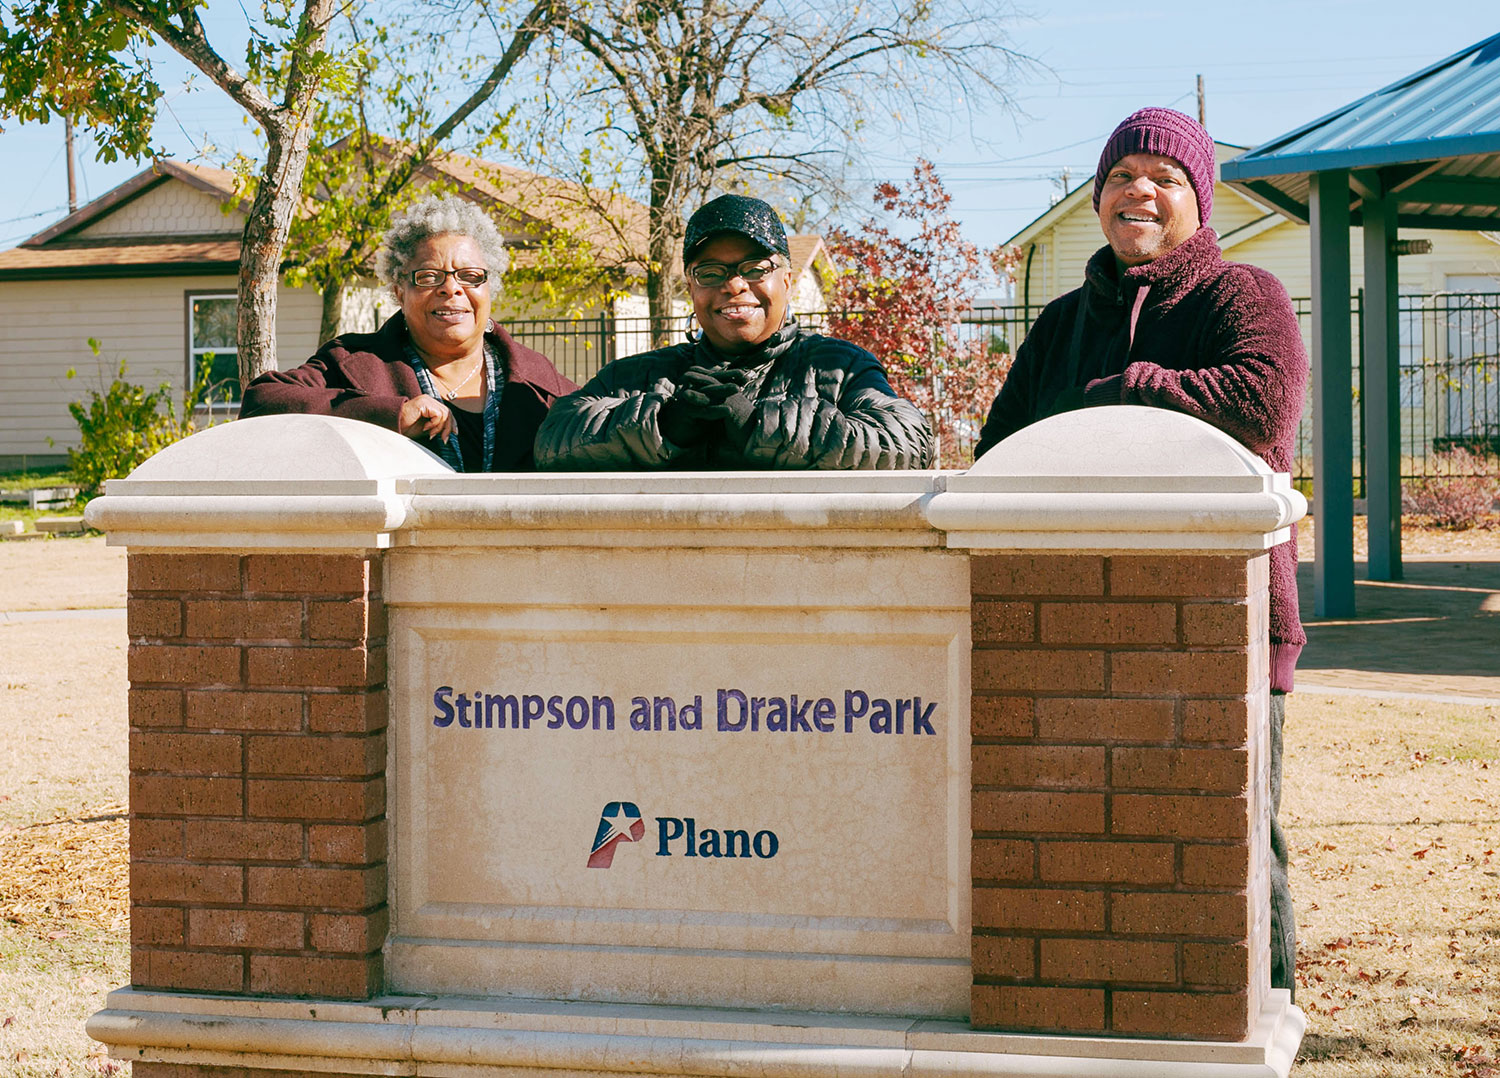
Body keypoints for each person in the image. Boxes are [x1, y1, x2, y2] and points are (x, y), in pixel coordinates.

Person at [975, 107, 1307, 998]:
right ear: (1098, 196)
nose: (1141, 192)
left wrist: (1132, 390)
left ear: (1199, 198)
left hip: (1222, 628)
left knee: (1234, 844)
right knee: (1090, 849)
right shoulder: (1058, 322)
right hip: (1069, 623)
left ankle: (1260, 1011)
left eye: (1165, 176)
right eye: (1124, 176)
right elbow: (995, 451)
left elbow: (1264, 409)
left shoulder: (1244, 297)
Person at [533, 194, 933, 469]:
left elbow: (907, 443)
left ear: (787, 280)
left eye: (755, 269)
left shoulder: (839, 366)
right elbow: (554, 440)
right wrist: (663, 424)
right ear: (691, 287)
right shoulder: (639, 378)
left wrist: (759, 424)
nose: (734, 285)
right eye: (711, 272)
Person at [240, 196, 577, 470]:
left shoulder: (540, 381)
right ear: (399, 290)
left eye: (470, 276)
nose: (452, 289)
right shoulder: (353, 362)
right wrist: (390, 415)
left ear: (490, 287)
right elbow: (262, 401)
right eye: (430, 277)